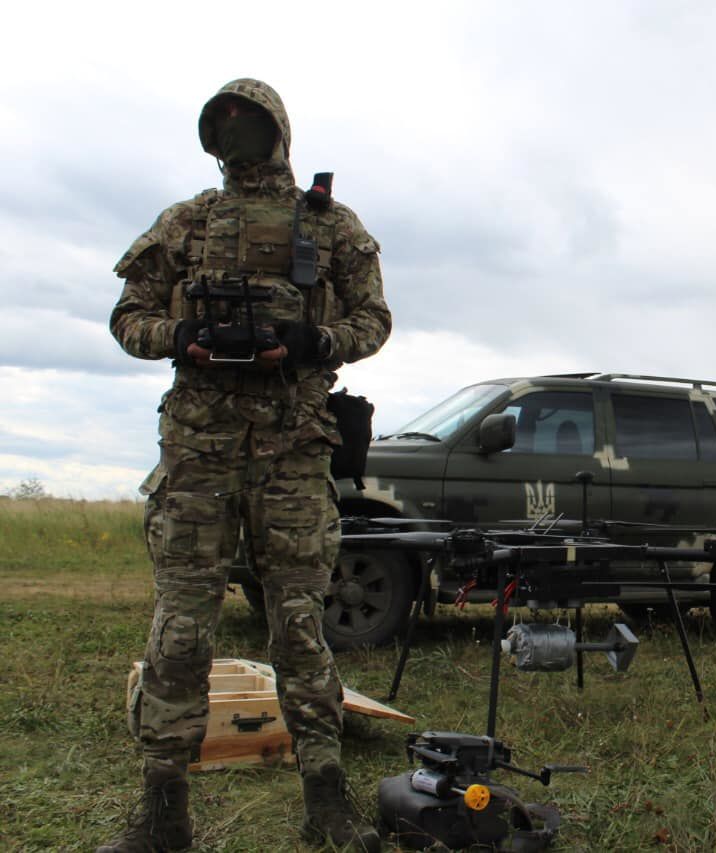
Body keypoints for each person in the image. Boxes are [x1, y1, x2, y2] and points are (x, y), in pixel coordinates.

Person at [101, 78, 391, 852]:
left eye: (249, 121)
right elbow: (127, 316)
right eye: (221, 123)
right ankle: (163, 816)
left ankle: (327, 803)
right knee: (181, 630)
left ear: (278, 130)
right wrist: (181, 335)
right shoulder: (187, 222)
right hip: (198, 453)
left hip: (294, 449)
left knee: (300, 624)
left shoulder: (330, 227)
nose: (235, 133)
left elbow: (373, 319)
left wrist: (311, 342)